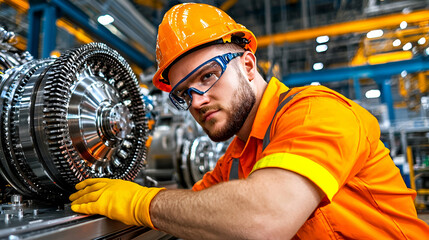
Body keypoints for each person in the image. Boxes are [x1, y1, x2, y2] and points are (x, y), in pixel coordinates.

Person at [69, 3, 429, 239]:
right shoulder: (237, 161)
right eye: (183, 93)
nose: (197, 101)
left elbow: (266, 217)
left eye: (207, 76)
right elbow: (193, 213)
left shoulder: (315, 112)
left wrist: (139, 202)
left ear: (247, 64)